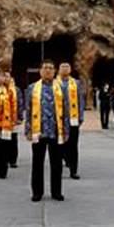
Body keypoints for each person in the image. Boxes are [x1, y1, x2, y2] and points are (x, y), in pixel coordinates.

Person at [25, 59, 69, 201]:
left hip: (56, 131)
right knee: (37, 163)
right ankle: (37, 192)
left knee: (56, 164)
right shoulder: (32, 88)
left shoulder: (61, 87)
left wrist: (66, 129)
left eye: (51, 68)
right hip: (39, 130)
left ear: (54, 70)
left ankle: (56, 192)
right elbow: (29, 109)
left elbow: (66, 109)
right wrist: (28, 129)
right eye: (45, 68)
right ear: (40, 71)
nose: (48, 70)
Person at [58, 62, 84, 179]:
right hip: (59, 119)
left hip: (73, 118)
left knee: (73, 144)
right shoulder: (54, 83)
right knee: (60, 143)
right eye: (62, 67)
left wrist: (81, 116)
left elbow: (80, 101)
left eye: (67, 67)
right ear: (58, 70)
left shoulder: (76, 83)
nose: (65, 69)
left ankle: (74, 170)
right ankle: (62, 162)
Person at [5, 72, 23, 169]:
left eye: (7, 76)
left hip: (13, 118)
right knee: (3, 139)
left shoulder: (16, 90)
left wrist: (20, 117)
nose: (5, 78)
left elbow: (20, 103)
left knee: (13, 139)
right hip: (2, 119)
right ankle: (4, 158)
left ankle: (13, 160)